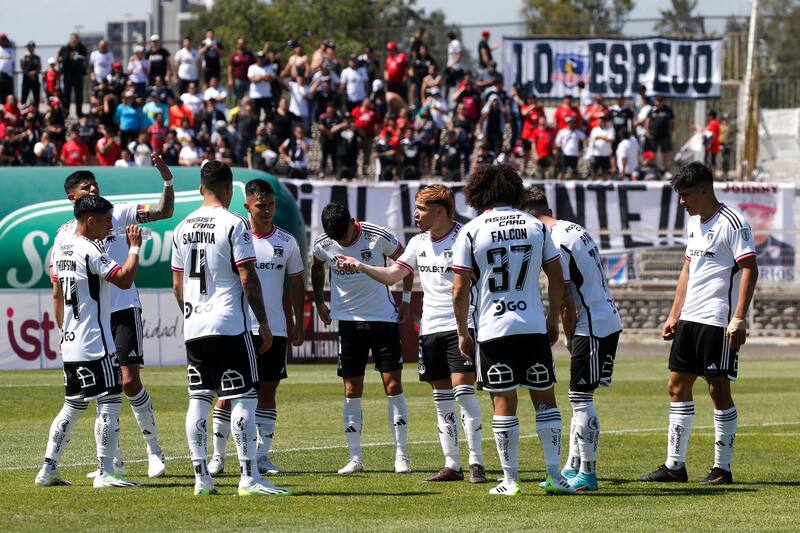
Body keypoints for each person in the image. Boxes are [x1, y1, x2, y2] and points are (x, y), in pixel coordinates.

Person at [338, 185, 487, 483]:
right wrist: (361, 265)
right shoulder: (418, 242)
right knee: (441, 399)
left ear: (440, 211)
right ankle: (451, 464)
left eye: (421, 208)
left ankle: (476, 463)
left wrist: (469, 327)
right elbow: (394, 275)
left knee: (464, 396)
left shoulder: (466, 237)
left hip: (460, 327)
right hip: (429, 329)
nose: (415, 214)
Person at [451, 164, 575, 496]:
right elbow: (557, 277)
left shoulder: (472, 230)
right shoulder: (535, 225)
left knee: (503, 403)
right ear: (514, 189)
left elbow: (459, 290)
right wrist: (550, 320)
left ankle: (511, 479)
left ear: (478, 193)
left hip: (494, 328)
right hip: (533, 326)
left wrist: (463, 332)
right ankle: (554, 475)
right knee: (545, 400)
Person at [171, 160, 289, 496]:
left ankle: (201, 478)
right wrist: (263, 322)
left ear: (200, 188)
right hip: (230, 325)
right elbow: (247, 277)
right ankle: (249, 477)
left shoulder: (181, 228)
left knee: (199, 398)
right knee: (244, 397)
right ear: (229, 188)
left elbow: (177, 287)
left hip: (195, 326)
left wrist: (193, 314)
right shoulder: (234, 224)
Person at [51, 162, 174, 479]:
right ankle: (111, 462)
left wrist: (167, 179)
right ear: (71, 197)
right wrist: (63, 329)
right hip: (91, 320)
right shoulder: (64, 234)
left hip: (122, 308)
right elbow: (57, 287)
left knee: (128, 381)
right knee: (101, 391)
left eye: (94, 184)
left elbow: (163, 211)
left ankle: (154, 453)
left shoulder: (117, 213)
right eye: (86, 187)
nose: (93, 189)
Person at [639, 162, 758, 486]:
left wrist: (739, 318)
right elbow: (687, 272)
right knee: (676, 387)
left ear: (705, 190)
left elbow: (749, 269)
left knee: (717, 390)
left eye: (687, 194)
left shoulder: (733, 223)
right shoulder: (694, 223)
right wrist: (674, 314)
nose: (682, 201)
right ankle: (674, 466)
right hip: (690, 319)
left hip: (718, 321)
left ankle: (722, 468)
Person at [36, 195, 142, 488]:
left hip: (70, 341)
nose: (111, 227)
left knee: (71, 406)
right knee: (109, 402)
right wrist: (134, 248)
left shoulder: (61, 248)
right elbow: (124, 279)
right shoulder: (90, 250)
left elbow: (57, 290)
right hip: (96, 341)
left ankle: (48, 469)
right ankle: (105, 472)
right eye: (107, 221)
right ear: (91, 221)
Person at [524, 187, 623, 492]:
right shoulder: (572, 228)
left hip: (591, 324)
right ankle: (572, 467)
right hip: (604, 317)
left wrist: (563, 333)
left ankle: (589, 475)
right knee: (578, 397)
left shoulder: (554, 240)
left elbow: (566, 296)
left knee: (581, 400)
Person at [207, 179, 306, 476]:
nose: (267, 211)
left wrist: (298, 322)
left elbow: (297, 283)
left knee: (267, 392)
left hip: (274, 329)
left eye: (272, 205)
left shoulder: (287, 242)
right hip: (238, 327)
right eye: (261, 205)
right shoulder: (234, 235)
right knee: (228, 392)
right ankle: (218, 457)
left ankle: (262, 456)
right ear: (247, 206)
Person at [312, 203, 413, 474]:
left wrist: (405, 299)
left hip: (383, 319)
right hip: (348, 323)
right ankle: (355, 458)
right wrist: (320, 301)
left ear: (352, 222)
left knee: (392, 385)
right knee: (351, 389)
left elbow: (406, 262)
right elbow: (317, 266)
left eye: (344, 236)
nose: (341, 243)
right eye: (336, 239)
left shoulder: (377, 235)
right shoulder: (324, 242)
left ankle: (402, 456)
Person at [58, 34, 89, 117]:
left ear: (78, 40)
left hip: (78, 75)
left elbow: (85, 58)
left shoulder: (82, 48)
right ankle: (66, 113)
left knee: (79, 95)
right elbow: (60, 59)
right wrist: (68, 57)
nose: (73, 42)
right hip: (68, 75)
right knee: (66, 96)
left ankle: (79, 113)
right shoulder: (65, 48)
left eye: (75, 40)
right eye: (72, 40)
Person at [645, 95, 675, 172]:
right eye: (657, 101)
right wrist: (648, 132)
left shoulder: (668, 110)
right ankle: (652, 169)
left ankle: (665, 170)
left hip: (665, 135)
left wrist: (672, 132)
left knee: (665, 154)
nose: (658, 103)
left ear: (663, 102)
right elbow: (647, 121)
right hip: (653, 135)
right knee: (652, 154)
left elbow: (673, 122)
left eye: (660, 101)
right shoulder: (652, 110)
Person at [248, 51, 274, 122]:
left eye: (262, 58)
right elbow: (252, 79)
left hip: (266, 95)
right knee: (255, 116)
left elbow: (271, 79)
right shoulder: (252, 67)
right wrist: (264, 77)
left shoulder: (269, 68)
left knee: (269, 115)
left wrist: (259, 78)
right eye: (259, 58)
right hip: (255, 95)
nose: (260, 60)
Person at [587, 114, 615, 180]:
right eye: (598, 122)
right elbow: (591, 139)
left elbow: (611, 139)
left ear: (604, 122)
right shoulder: (594, 130)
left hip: (605, 154)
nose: (599, 123)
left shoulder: (610, 129)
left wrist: (600, 137)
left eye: (601, 122)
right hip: (595, 154)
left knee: (605, 172)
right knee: (594, 172)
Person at [20, 41, 42, 108]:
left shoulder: (37, 57)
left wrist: (34, 73)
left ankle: (36, 111)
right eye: (29, 47)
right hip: (26, 78)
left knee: (36, 96)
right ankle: (23, 111)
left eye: (32, 47)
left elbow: (39, 67)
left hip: (35, 79)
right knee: (24, 95)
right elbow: (22, 67)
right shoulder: (24, 57)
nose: (30, 48)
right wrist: (29, 74)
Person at [445, 32, 464, 98]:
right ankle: (446, 99)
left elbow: (460, 54)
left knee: (458, 85)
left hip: (456, 68)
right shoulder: (451, 44)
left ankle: (458, 98)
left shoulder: (456, 43)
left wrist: (452, 64)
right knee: (447, 84)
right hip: (451, 68)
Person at [0, 33, 13, 101]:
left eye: (4, 39)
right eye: (2, 39)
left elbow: (12, 62)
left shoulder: (10, 50)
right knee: (1, 93)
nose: (3, 41)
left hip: (8, 76)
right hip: (1, 75)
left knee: (9, 94)